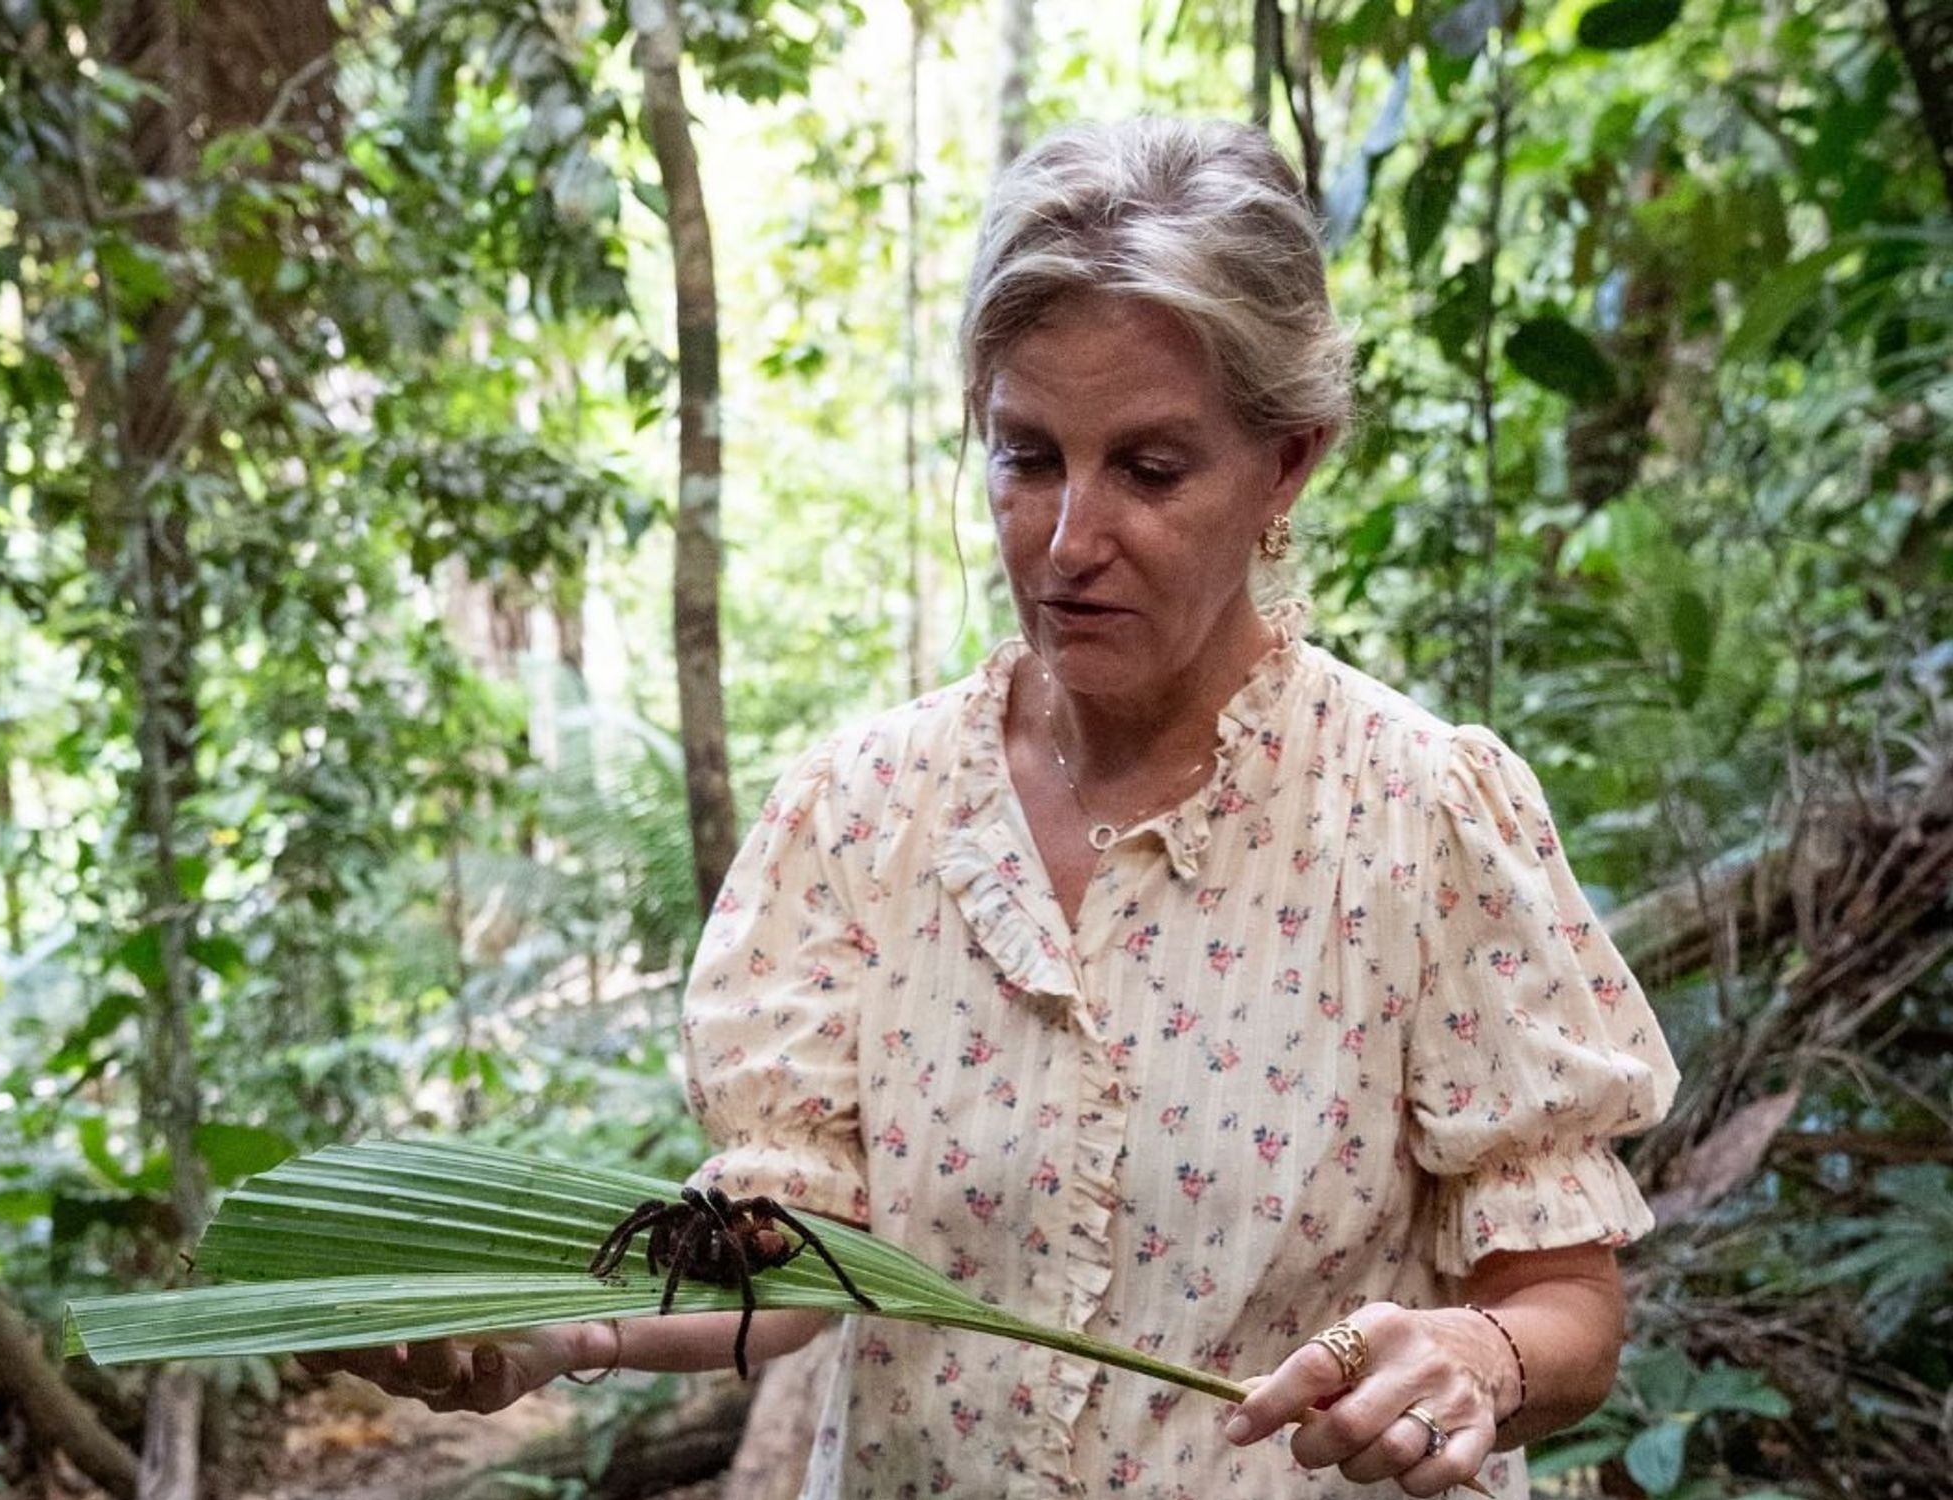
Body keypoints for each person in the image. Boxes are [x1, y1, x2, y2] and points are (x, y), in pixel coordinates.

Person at [305, 116, 1679, 1499]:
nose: (1071, 543)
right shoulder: (864, 815)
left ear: (1288, 465)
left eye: (1150, 470)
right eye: (1027, 457)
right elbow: (804, 1246)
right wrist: (572, 1328)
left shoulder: (1415, 816)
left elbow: (1570, 1310)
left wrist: (1473, 1362)